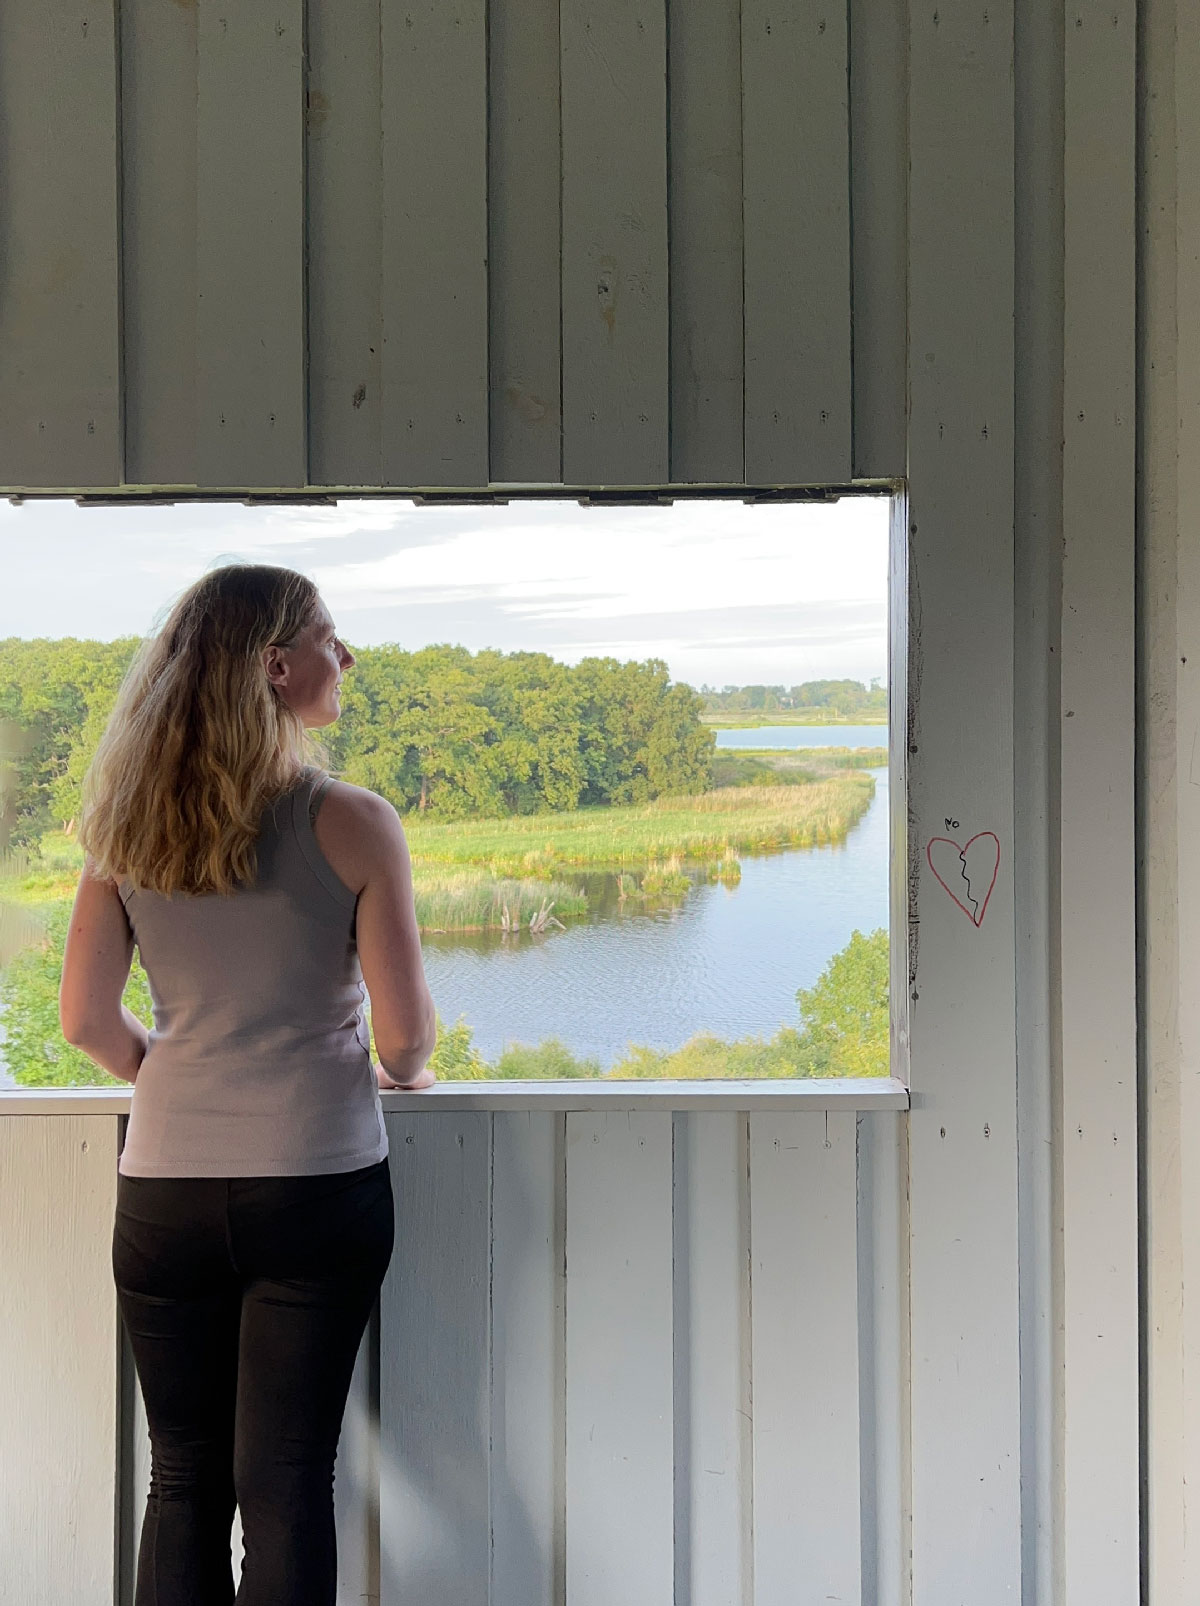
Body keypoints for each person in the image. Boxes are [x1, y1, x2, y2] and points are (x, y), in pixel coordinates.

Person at [58, 562, 438, 1605]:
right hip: (315, 1186)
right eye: (329, 635)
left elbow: (87, 1020)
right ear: (277, 665)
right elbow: (404, 1042)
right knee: (283, 1483)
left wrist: (178, 1076)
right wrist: (407, 1068)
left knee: (181, 1481)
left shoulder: (123, 830)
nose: (346, 655)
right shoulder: (354, 821)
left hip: (166, 1189)